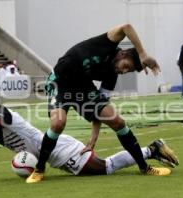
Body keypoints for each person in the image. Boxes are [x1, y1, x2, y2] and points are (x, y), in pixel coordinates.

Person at [27, 23, 166, 183]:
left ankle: (144, 167)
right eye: (126, 66)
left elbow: (99, 110)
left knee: (117, 121)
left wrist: (93, 139)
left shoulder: (112, 75)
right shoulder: (107, 43)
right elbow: (127, 27)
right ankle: (39, 169)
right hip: (60, 81)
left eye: (128, 71)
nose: (124, 71)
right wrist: (143, 54)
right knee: (58, 123)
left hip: (83, 88)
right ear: (122, 54)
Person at [0, 92, 179, 178]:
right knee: (106, 167)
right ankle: (151, 150)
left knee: (107, 168)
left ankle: (151, 150)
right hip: (52, 153)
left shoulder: (3, 116)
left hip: (59, 150)